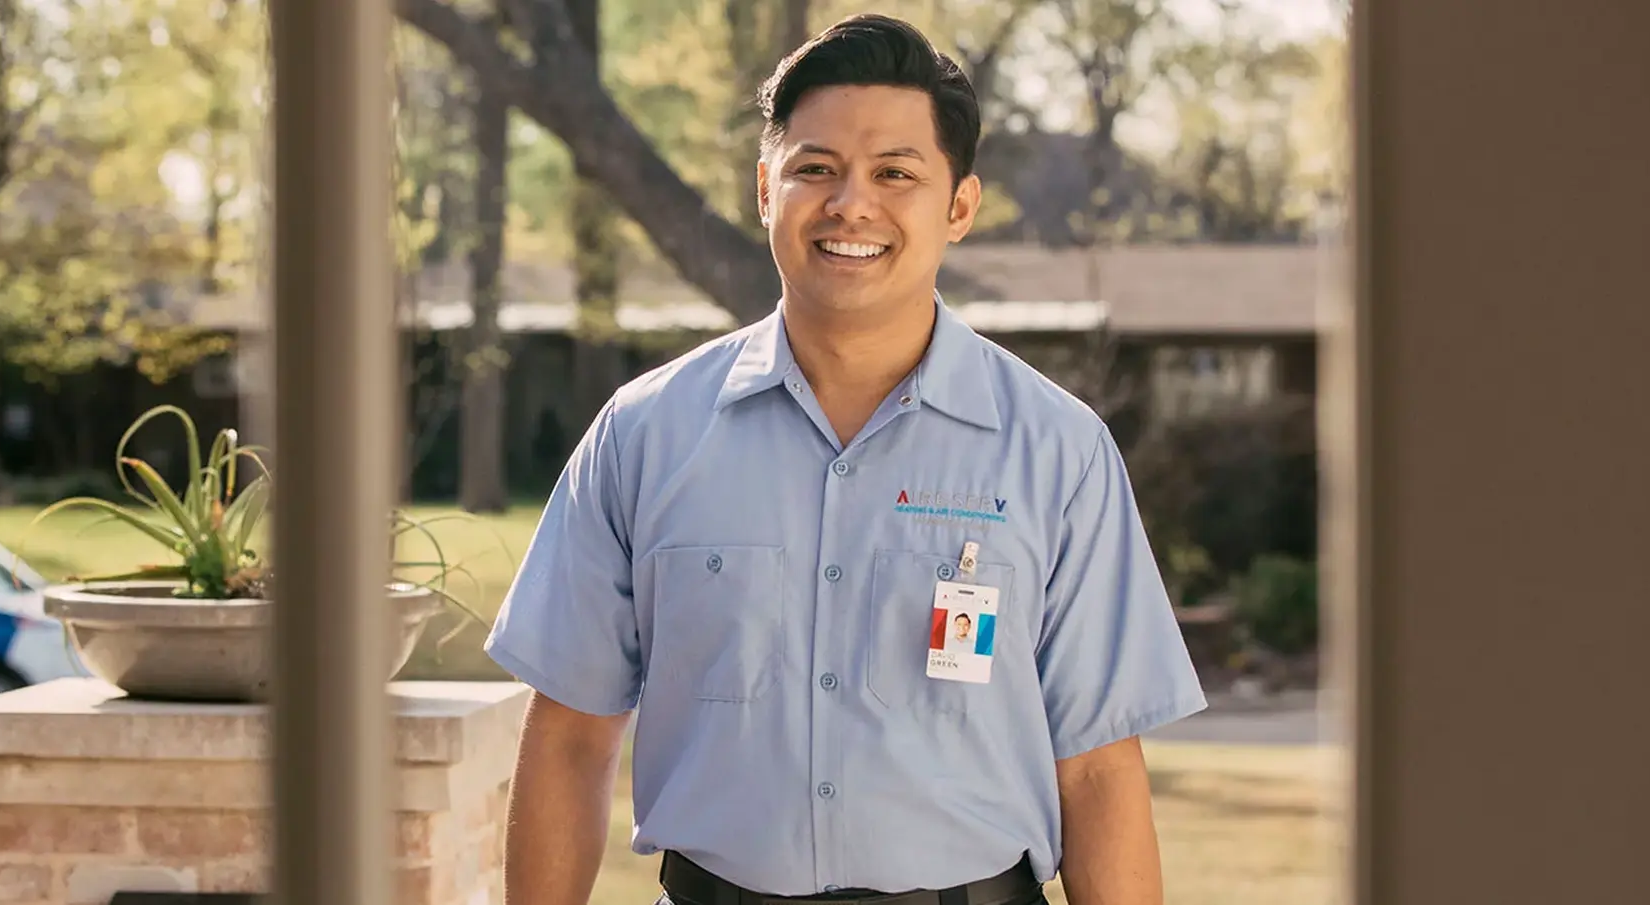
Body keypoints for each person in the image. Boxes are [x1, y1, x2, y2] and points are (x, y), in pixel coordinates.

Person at [483, 14, 1205, 905]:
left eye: (895, 174)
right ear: (764, 189)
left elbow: (1096, 772)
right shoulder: (644, 436)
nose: (850, 204)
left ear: (960, 206)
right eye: (814, 169)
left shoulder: (1059, 454)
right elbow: (568, 739)